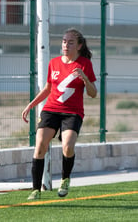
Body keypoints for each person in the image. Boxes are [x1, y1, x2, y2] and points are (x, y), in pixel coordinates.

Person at [21, 28, 97, 200]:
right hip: (51, 110)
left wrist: (85, 78)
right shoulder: (54, 63)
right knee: (40, 145)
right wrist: (31, 105)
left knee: (68, 146)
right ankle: (35, 190)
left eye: (70, 42)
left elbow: (93, 93)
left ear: (79, 46)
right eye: (64, 41)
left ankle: (65, 179)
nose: (66, 45)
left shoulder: (85, 64)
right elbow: (48, 89)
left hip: (72, 112)